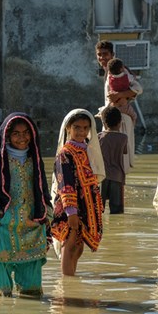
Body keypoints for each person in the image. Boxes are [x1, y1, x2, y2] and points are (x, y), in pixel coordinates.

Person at [0, 112, 52, 297]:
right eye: (16, 133)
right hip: (5, 224)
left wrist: (46, 215)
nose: (22, 137)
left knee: (32, 286)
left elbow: (42, 190)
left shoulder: (35, 160)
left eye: (26, 132)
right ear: (7, 135)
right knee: (4, 290)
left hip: (32, 224)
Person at [50, 109, 105, 276]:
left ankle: (71, 280)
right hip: (71, 207)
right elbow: (65, 183)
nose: (82, 132)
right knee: (70, 243)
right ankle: (66, 286)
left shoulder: (88, 150)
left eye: (85, 128)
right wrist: (71, 212)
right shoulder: (65, 153)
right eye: (77, 127)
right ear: (68, 128)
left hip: (85, 206)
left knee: (78, 248)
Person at [95, 40, 142, 173]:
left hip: (121, 119)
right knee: (111, 159)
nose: (102, 58)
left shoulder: (121, 70)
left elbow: (138, 88)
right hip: (112, 119)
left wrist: (119, 95)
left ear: (112, 54)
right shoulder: (108, 72)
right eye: (99, 55)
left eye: (105, 54)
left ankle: (119, 192)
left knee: (122, 159)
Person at [98, 105, 127, 214]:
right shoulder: (124, 138)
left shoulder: (99, 137)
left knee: (99, 209)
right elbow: (124, 152)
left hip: (102, 176)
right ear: (120, 122)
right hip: (117, 176)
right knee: (117, 211)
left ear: (104, 123)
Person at [106, 58, 138, 125]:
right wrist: (128, 70)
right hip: (124, 106)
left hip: (114, 106)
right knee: (134, 116)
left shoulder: (110, 79)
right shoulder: (126, 77)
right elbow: (134, 78)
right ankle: (132, 127)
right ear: (121, 69)